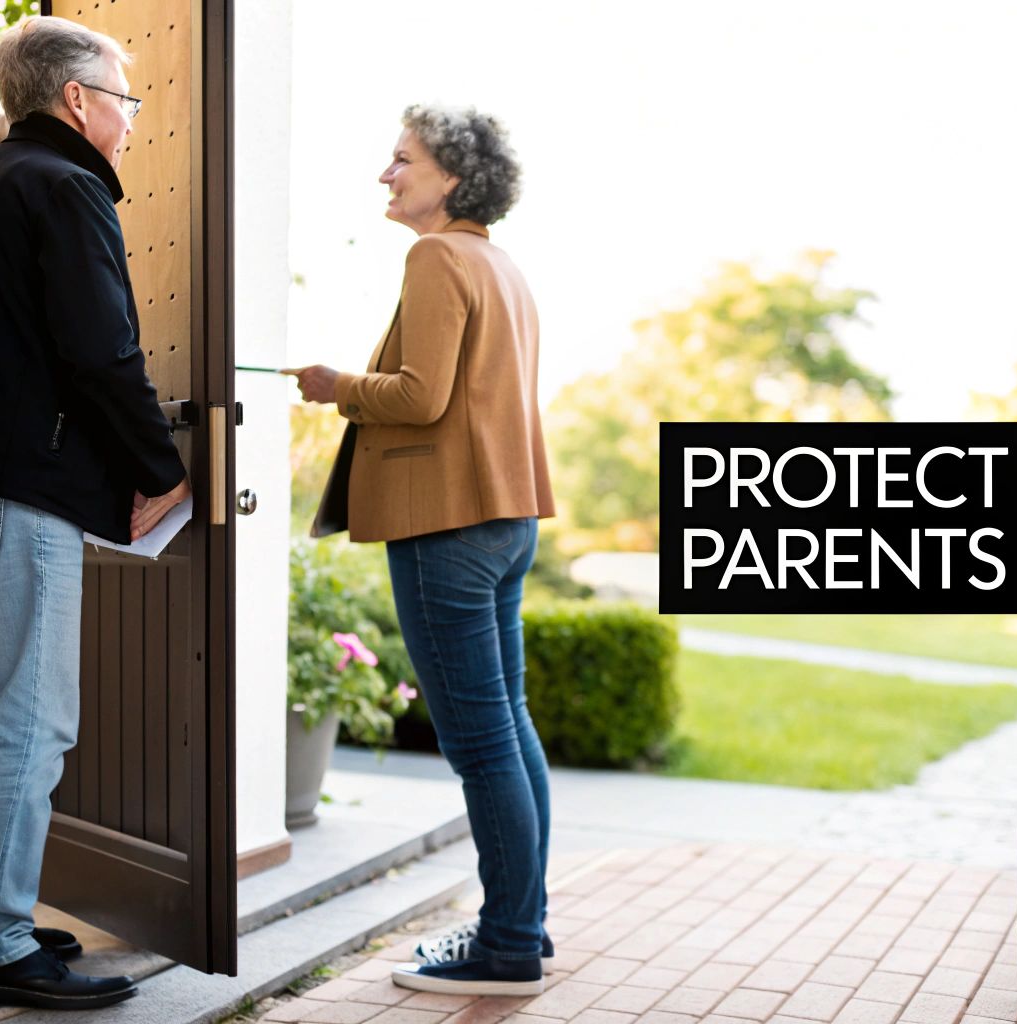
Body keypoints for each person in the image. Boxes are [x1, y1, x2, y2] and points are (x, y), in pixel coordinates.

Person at [0, 15, 189, 1010]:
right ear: (77, 99)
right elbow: (101, 349)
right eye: (124, 99)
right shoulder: (65, 186)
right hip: (16, 493)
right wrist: (160, 467)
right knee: (30, 721)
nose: (132, 120)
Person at [287, 105, 557, 997]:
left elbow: (421, 395)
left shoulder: (438, 258)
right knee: (508, 729)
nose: (386, 174)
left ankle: (507, 944)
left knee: (481, 744)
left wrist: (337, 386)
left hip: (447, 526)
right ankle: (523, 926)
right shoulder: (501, 265)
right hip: (504, 520)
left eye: (403, 159)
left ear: (453, 178)